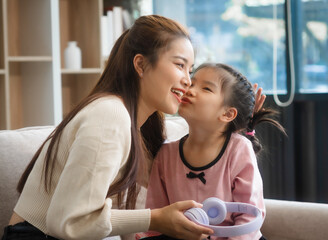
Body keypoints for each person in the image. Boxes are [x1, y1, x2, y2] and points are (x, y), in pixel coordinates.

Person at [1, 15, 215, 240]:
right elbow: (68, 222)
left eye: (190, 70)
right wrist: (155, 218)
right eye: (180, 65)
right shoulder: (110, 115)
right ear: (141, 65)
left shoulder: (137, 125)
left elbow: (130, 214)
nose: (188, 81)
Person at [145, 63, 286, 240]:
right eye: (192, 83)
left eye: (206, 88)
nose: (189, 90)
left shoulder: (238, 149)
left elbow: (249, 217)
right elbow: (156, 217)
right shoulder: (165, 154)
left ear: (227, 114)